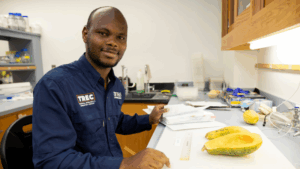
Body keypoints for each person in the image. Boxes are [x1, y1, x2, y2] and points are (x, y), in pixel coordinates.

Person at [32, 6, 171, 169]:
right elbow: (51, 161)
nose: (113, 42)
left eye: (121, 37)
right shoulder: (55, 85)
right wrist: (125, 164)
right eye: (103, 33)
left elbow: (114, 121)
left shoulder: (116, 86)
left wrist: (149, 119)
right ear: (85, 34)